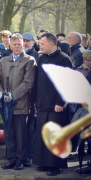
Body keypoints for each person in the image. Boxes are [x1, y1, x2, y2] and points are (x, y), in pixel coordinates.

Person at [33, 33, 73, 176]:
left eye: (42, 44)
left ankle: (55, 166)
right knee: (43, 135)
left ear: (51, 44)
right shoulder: (42, 57)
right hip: (42, 104)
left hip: (56, 105)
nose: (40, 46)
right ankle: (44, 163)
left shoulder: (64, 59)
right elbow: (38, 81)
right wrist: (35, 101)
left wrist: (60, 102)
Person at [0, 33, 36, 171]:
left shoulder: (29, 60)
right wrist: (2, 94)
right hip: (6, 104)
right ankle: (11, 159)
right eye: (15, 44)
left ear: (23, 44)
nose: (17, 46)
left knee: (21, 135)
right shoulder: (3, 61)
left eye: (20, 44)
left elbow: (28, 83)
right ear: (10, 46)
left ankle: (21, 160)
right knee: (9, 133)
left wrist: (12, 95)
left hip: (21, 103)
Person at [22, 32, 40, 167]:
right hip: (18, 98)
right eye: (22, 40)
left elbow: (38, 81)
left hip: (32, 99)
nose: (24, 43)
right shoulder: (15, 57)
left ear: (33, 43)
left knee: (31, 129)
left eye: (27, 41)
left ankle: (29, 155)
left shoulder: (39, 57)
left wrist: (35, 101)